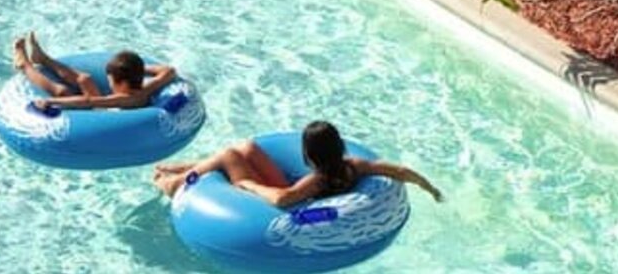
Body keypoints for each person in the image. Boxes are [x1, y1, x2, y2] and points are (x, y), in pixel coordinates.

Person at [152, 120, 443, 207]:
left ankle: (176, 183)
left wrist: (249, 185)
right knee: (247, 148)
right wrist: (430, 189)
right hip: (294, 192)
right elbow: (401, 171)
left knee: (230, 155)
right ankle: (189, 167)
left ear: (309, 154)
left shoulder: (316, 180)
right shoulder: (354, 165)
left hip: (287, 204)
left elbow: (283, 198)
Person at [11, 31, 176, 112]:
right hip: (106, 111)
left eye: (111, 80)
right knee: (85, 79)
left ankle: (24, 66)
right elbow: (169, 70)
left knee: (62, 92)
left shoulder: (125, 98)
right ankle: (42, 59)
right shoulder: (147, 88)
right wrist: (137, 70)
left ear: (124, 83)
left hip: (104, 119)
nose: (109, 83)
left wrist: (51, 101)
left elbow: (89, 101)